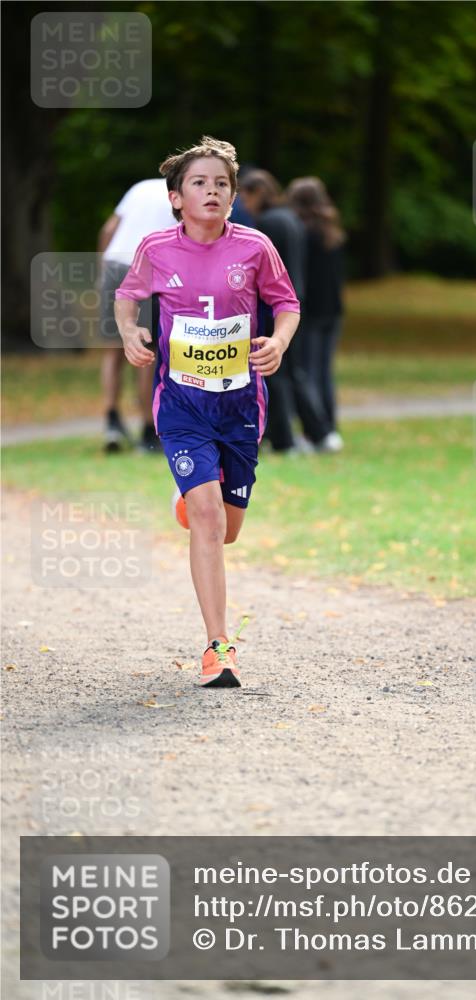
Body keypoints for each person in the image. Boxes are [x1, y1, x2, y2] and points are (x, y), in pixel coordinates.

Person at [115, 137, 300, 688]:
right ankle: (219, 647)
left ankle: (194, 499)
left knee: (227, 529)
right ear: (177, 198)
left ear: (233, 194)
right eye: (200, 182)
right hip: (181, 405)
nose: (213, 191)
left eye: (222, 183)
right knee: (209, 516)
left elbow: (286, 303)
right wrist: (131, 331)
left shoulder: (255, 247)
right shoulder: (156, 248)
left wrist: (279, 341)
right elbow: (127, 296)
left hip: (241, 404)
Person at [238, 170, 330, 453]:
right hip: (294, 302)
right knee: (294, 371)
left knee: (272, 370)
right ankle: (320, 432)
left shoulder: (266, 224)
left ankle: (283, 439)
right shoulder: (290, 218)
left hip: (273, 305)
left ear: (254, 193)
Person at [98, 178, 176, 452]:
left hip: (114, 264)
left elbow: (109, 228)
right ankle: (147, 428)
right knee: (146, 350)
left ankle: (111, 420)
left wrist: (102, 271)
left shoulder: (139, 187)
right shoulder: (183, 193)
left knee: (112, 349)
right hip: (146, 268)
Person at [286, 176, 346, 452]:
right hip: (332, 309)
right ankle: (329, 425)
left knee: (307, 371)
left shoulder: (301, 231)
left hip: (310, 310)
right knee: (324, 371)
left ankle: (316, 430)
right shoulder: (332, 230)